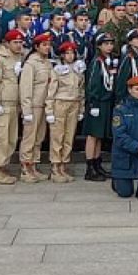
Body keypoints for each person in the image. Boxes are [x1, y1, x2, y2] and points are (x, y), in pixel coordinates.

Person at [0, 29, 25, 184]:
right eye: (15, 42)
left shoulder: (20, 57)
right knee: (0, 137)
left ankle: (4, 166)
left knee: (11, 138)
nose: (18, 45)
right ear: (7, 43)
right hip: (3, 103)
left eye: (20, 42)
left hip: (14, 102)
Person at [45, 42, 85, 183]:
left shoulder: (78, 69)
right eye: (67, 53)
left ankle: (64, 164)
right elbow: (51, 91)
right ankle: (55, 166)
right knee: (57, 136)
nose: (70, 56)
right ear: (62, 55)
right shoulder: (57, 70)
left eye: (72, 53)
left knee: (69, 136)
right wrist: (49, 110)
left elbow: (81, 91)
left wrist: (81, 109)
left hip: (74, 103)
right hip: (60, 103)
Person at [18, 33, 54, 182]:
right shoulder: (31, 63)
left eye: (49, 45)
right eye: (44, 45)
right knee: (29, 137)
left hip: (44, 104)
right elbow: (25, 87)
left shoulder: (47, 63)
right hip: (33, 105)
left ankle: (34, 165)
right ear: (36, 47)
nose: (47, 48)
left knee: (39, 137)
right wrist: (26, 109)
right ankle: (25, 167)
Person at [83, 33, 118, 181]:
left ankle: (97, 164)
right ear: (99, 46)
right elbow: (92, 84)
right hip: (97, 103)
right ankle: (90, 168)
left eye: (111, 43)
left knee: (99, 136)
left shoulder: (108, 61)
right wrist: (93, 103)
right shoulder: (96, 62)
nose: (109, 46)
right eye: (105, 44)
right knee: (92, 135)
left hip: (106, 102)